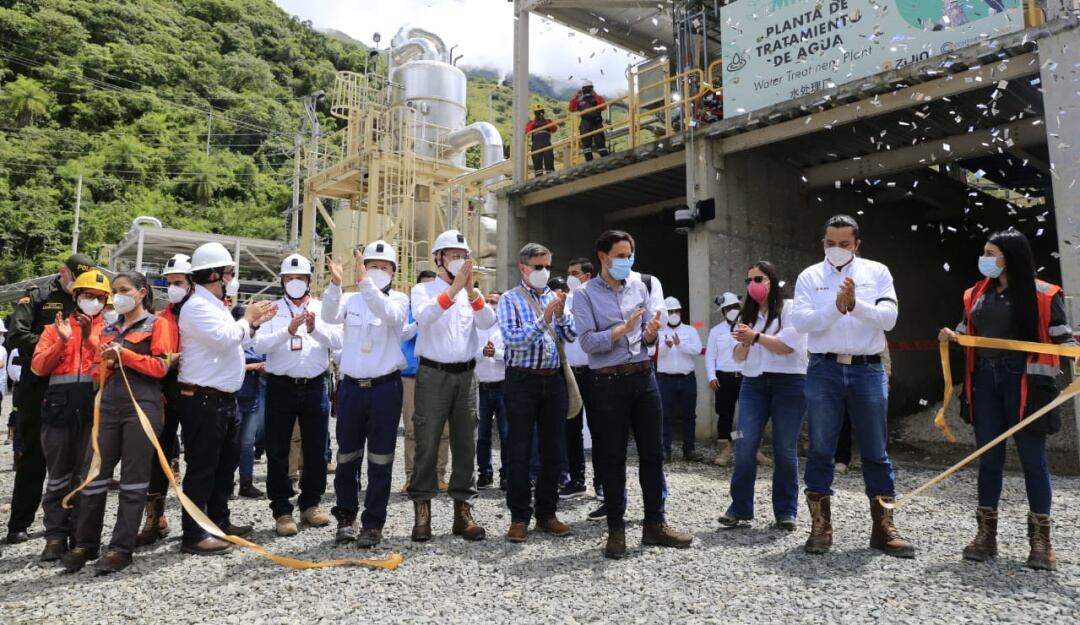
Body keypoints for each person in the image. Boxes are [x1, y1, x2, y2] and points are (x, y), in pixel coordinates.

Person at [938, 229, 1076, 571]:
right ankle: (986, 536)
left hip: (1026, 382)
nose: (985, 258)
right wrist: (953, 336)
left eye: (991, 252)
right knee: (988, 457)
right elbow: (968, 330)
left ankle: (1041, 542)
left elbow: (1063, 342)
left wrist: (1074, 350)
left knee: (1032, 459)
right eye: (984, 251)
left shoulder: (1044, 294)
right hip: (984, 380)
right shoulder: (975, 294)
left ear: (1010, 256)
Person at [791, 214, 913, 558]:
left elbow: (889, 318)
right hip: (823, 368)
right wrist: (836, 307)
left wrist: (856, 305)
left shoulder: (877, 272)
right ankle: (820, 526)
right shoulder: (809, 276)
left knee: (876, 450)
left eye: (845, 244)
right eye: (831, 243)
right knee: (820, 448)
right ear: (823, 243)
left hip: (867, 369)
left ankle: (884, 528)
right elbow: (801, 321)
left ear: (857, 244)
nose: (838, 250)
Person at [573, 230, 692, 559]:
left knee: (653, 454)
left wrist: (650, 335)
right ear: (603, 257)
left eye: (630, 255)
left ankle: (655, 524)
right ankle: (616, 529)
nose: (627, 261)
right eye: (621, 255)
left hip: (643, 378)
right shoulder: (583, 295)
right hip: (607, 382)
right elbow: (587, 343)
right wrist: (620, 331)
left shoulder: (640, 287)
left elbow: (646, 338)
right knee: (612, 458)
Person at [62, 271, 175, 574]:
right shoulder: (111, 327)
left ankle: (120, 548)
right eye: (115, 291)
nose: (117, 295)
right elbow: (98, 368)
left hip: (142, 405)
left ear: (142, 293)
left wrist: (124, 355)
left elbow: (161, 366)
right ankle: (86, 543)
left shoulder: (158, 324)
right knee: (93, 474)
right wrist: (93, 345)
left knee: (134, 480)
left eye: (124, 289)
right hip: (109, 404)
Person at [177, 242, 275, 555]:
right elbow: (225, 339)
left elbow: (239, 337)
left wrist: (252, 323)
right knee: (202, 469)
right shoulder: (196, 307)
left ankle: (219, 521)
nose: (233, 279)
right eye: (230, 273)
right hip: (203, 400)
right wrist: (248, 318)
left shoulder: (215, 306)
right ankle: (193, 533)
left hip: (223, 400)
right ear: (214, 274)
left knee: (223, 467)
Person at [409, 229, 495, 542]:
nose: (459, 260)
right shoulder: (424, 289)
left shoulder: (471, 293)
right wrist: (454, 288)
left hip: (467, 375)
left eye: (463, 256)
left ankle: (463, 510)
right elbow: (425, 317)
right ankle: (423, 509)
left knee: (466, 443)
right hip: (433, 374)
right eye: (453, 255)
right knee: (428, 442)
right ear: (439, 259)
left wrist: (470, 291)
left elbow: (487, 322)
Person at [321, 241, 408, 548]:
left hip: (385, 388)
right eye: (372, 266)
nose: (377, 272)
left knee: (381, 458)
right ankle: (346, 517)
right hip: (352, 389)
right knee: (347, 456)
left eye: (384, 268)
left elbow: (388, 314)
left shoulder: (399, 300)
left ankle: (373, 523)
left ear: (394, 273)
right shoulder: (350, 299)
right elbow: (329, 315)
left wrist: (364, 282)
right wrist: (334, 283)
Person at [5, 254, 95, 546]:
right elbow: (17, 335)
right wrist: (53, 343)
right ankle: (19, 523)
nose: (78, 283)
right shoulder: (38, 297)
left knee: (72, 457)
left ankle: (62, 525)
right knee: (33, 456)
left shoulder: (90, 299)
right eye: (74, 276)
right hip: (38, 386)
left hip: (73, 389)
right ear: (62, 272)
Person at [252, 254, 340, 537]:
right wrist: (287, 331)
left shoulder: (323, 308)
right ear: (282, 281)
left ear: (309, 281)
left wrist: (315, 330)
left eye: (300, 278)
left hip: (315, 385)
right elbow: (260, 344)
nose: (295, 283)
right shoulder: (271, 309)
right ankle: (281, 510)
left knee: (316, 449)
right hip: (281, 385)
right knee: (277, 449)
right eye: (289, 279)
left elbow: (338, 341)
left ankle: (310, 504)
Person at [718, 261, 808, 532]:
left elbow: (786, 347)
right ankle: (739, 507)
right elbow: (737, 355)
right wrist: (745, 343)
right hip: (753, 385)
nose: (753, 284)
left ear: (772, 280)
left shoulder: (792, 309)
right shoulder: (747, 315)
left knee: (784, 449)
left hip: (790, 385)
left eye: (758, 278)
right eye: (748, 280)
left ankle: (785, 511)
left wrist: (754, 337)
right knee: (744, 443)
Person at [29, 269, 110, 562]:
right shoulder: (55, 328)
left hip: (94, 412)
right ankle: (54, 537)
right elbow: (38, 367)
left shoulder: (110, 330)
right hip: (58, 412)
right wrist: (62, 341)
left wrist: (90, 338)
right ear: (75, 296)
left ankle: (82, 538)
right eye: (89, 296)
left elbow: (109, 368)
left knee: (86, 478)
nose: (94, 302)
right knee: (57, 478)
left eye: (100, 298)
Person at [499, 243, 577, 543]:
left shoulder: (555, 298)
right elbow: (514, 340)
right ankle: (519, 517)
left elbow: (570, 335)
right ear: (523, 268)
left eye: (548, 266)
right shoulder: (510, 299)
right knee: (518, 450)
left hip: (553, 380)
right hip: (522, 380)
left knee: (553, 450)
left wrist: (560, 315)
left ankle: (547, 513)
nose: (544, 272)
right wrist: (544, 317)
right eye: (538, 267)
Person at [137, 253, 191, 546]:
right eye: (168, 283)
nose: (173, 288)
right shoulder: (160, 318)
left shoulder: (207, 311)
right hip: (166, 395)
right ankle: (155, 518)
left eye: (178, 282)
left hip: (198, 394)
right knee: (156, 459)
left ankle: (203, 519)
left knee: (201, 458)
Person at [400, 270, 450, 495]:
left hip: (440, 373)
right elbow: (402, 335)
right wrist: (420, 320)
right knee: (412, 430)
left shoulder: (449, 307)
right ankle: (411, 477)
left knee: (443, 430)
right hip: (412, 374)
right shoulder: (409, 311)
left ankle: (439, 476)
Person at [563, 258, 599, 506]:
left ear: (587, 276)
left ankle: (603, 482)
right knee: (571, 430)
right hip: (569, 373)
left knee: (600, 429)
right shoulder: (563, 301)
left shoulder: (598, 298)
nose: (570, 278)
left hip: (595, 370)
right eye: (568, 273)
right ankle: (576, 480)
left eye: (574, 273)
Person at [655, 296, 704, 462]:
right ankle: (665, 450)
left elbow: (697, 349)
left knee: (689, 415)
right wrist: (666, 347)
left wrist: (680, 345)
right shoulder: (659, 331)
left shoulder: (690, 330)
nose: (674, 314)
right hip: (665, 380)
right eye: (670, 312)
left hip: (687, 379)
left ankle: (689, 450)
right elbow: (654, 354)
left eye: (676, 311)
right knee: (665, 416)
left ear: (680, 312)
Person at [232, 304, 266, 499]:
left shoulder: (257, 340)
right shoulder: (232, 338)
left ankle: (246, 483)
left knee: (247, 443)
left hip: (252, 396)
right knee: (230, 444)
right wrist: (252, 366)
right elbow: (228, 361)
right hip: (233, 397)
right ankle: (226, 483)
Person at [706, 292, 743, 466]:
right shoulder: (716, 331)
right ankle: (725, 450)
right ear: (723, 312)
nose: (732, 311)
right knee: (725, 414)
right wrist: (711, 376)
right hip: (724, 377)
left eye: (735, 307)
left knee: (748, 415)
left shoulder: (747, 328)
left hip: (746, 377)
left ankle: (750, 448)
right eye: (728, 308)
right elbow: (710, 356)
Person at [476, 291, 508, 490]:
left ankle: (507, 474)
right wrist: (482, 352)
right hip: (482, 387)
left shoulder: (507, 328)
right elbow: (469, 354)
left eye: (494, 302)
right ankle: (484, 474)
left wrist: (495, 353)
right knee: (482, 435)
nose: (490, 305)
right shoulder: (477, 328)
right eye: (487, 301)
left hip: (504, 386)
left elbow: (515, 357)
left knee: (507, 434)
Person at [568, 78, 608, 161]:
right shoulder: (580, 101)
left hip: (596, 122)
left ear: (591, 89)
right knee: (586, 144)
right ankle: (589, 161)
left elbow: (603, 106)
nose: (586, 90)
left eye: (588, 88)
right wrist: (576, 96)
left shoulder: (597, 99)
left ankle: (606, 158)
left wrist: (596, 96)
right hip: (585, 123)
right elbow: (571, 109)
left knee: (600, 142)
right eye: (584, 88)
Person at [524, 104, 558, 176]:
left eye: (540, 112)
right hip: (536, 145)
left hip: (546, 144)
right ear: (534, 113)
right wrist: (535, 122)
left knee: (549, 162)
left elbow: (554, 129)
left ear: (543, 112)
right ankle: (538, 180)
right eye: (537, 112)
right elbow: (527, 131)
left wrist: (545, 121)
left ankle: (551, 178)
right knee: (537, 165)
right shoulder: (531, 123)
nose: (539, 113)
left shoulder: (548, 121)